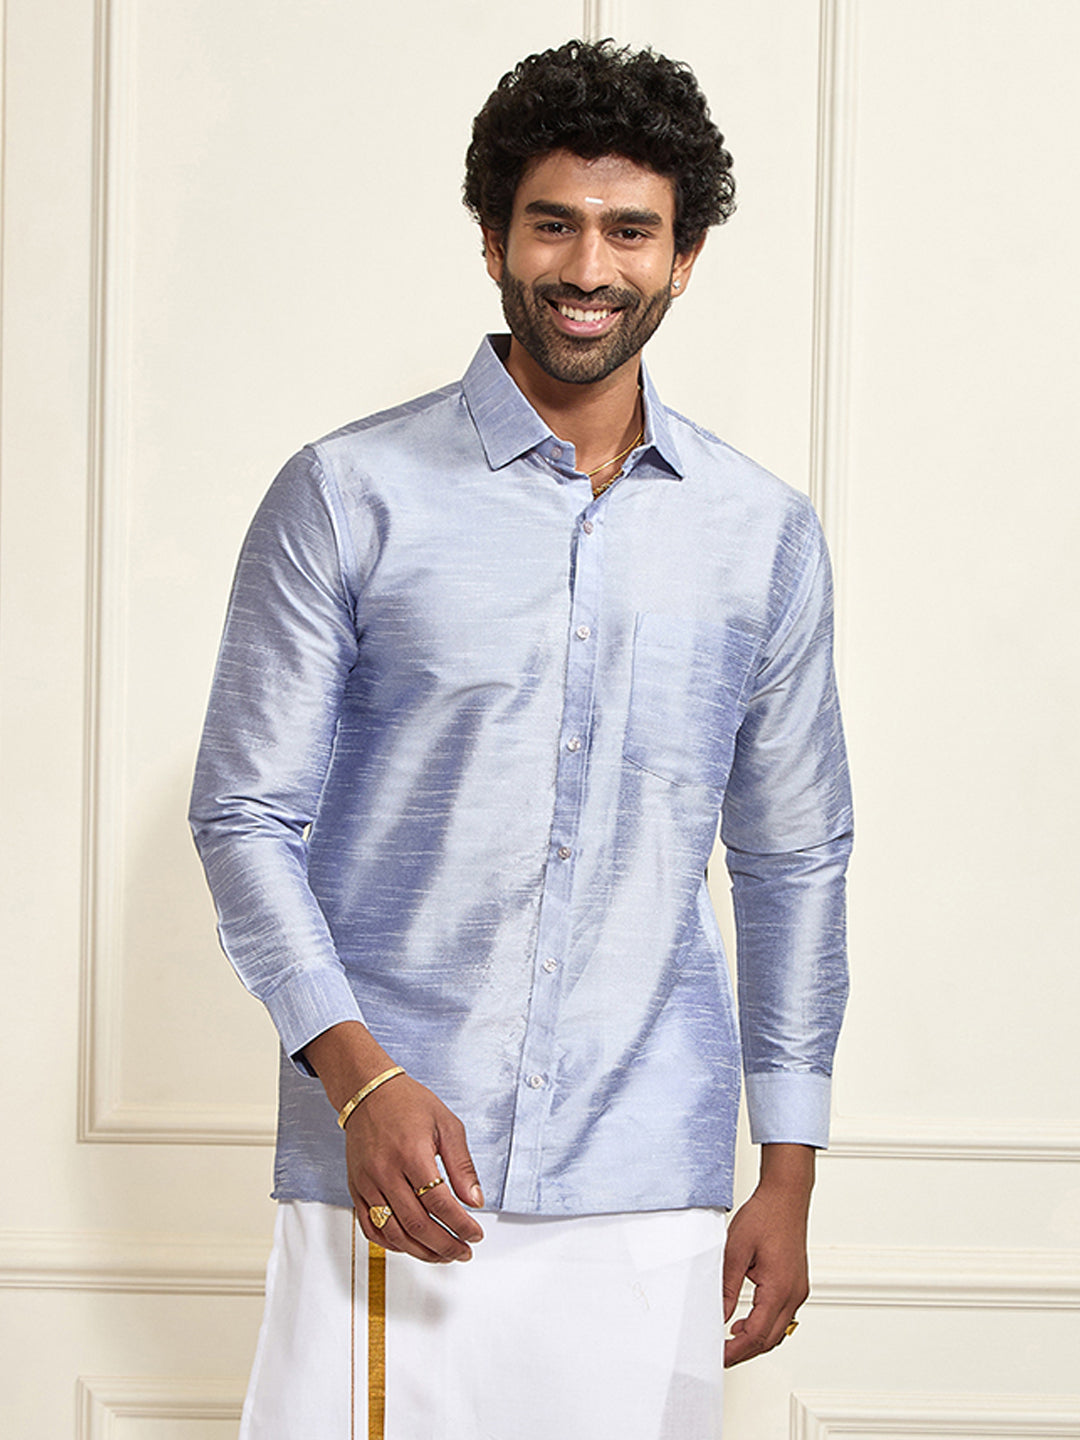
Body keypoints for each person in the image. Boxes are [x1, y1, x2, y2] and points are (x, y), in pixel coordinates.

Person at [190, 37, 852, 1440]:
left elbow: (794, 857)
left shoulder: (762, 535)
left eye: (632, 230)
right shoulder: (346, 494)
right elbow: (244, 814)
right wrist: (358, 1075)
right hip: (396, 1168)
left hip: (651, 1180)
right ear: (494, 239)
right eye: (553, 223)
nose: (588, 267)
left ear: (685, 258)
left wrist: (788, 1169)